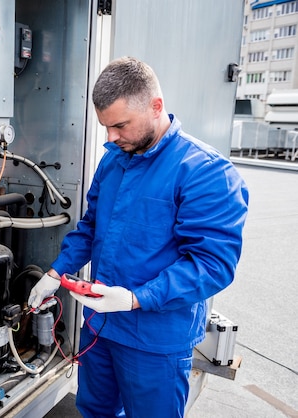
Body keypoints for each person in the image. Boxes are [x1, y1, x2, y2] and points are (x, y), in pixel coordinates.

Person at [28, 57, 249, 418]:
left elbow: (212, 266)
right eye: (106, 128)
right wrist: (55, 273)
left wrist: (135, 298)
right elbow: (91, 227)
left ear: (155, 107)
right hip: (101, 326)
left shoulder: (205, 173)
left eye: (120, 126)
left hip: (155, 340)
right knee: (93, 410)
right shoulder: (115, 160)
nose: (111, 138)